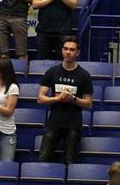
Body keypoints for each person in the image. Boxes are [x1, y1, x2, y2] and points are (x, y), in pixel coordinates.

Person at [38, 36, 93, 165]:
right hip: (54, 123)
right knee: (43, 159)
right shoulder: (52, 72)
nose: (68, 52)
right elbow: (40, 98)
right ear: (62, 50)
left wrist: (73, 99)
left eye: (72, 50)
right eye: (65, 49)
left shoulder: (84, 75)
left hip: (73, 125)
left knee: (70, 162)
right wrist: (57, 98)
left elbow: (89, 103)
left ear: (77, 52)